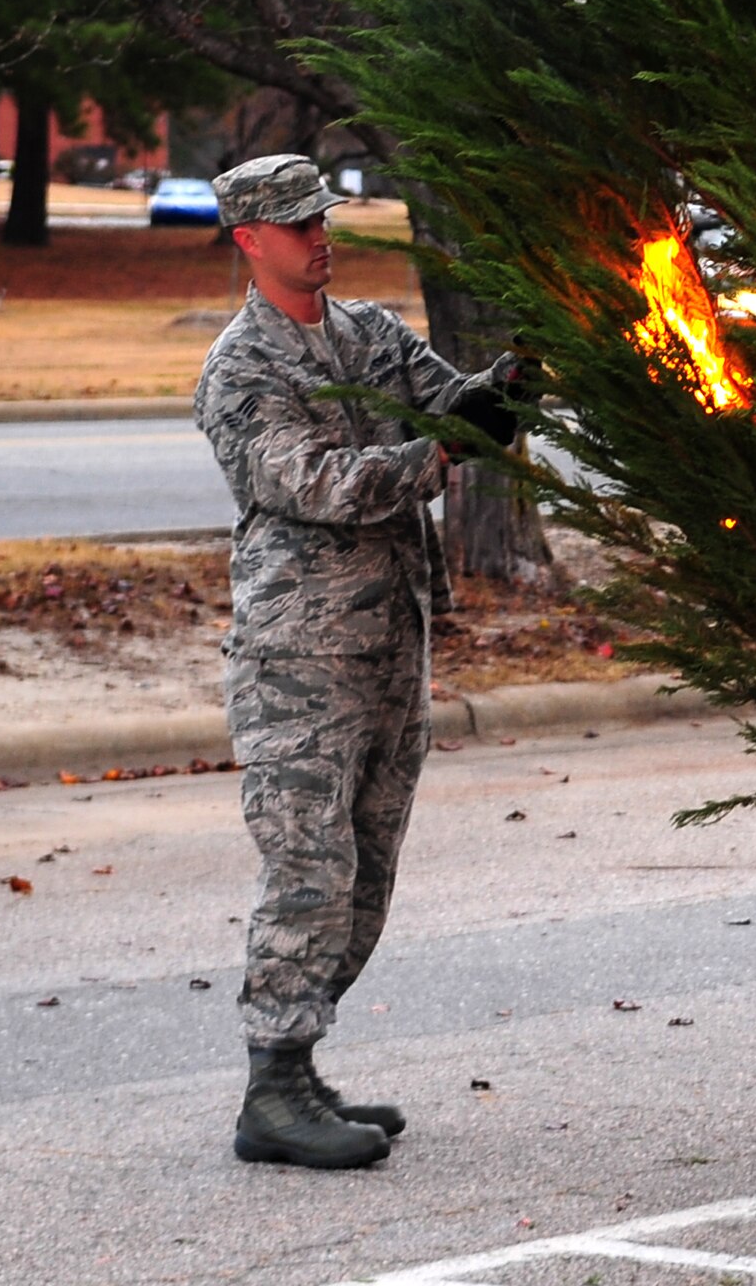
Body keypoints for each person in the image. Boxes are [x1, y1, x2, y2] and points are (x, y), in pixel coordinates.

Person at [196, 154, 525, 1169]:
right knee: (308, 867)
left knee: (366, 874)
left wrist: (510, 384)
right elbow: (315, 481)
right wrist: (436, 452)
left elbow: (455, 402)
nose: (318, 234)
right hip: (298, 661)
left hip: (392, 645)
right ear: (250, 240)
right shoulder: (241, 370)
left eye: (320, 216)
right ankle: (272, 1089)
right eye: (295, 224)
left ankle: (301, 1063)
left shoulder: (369, 334)